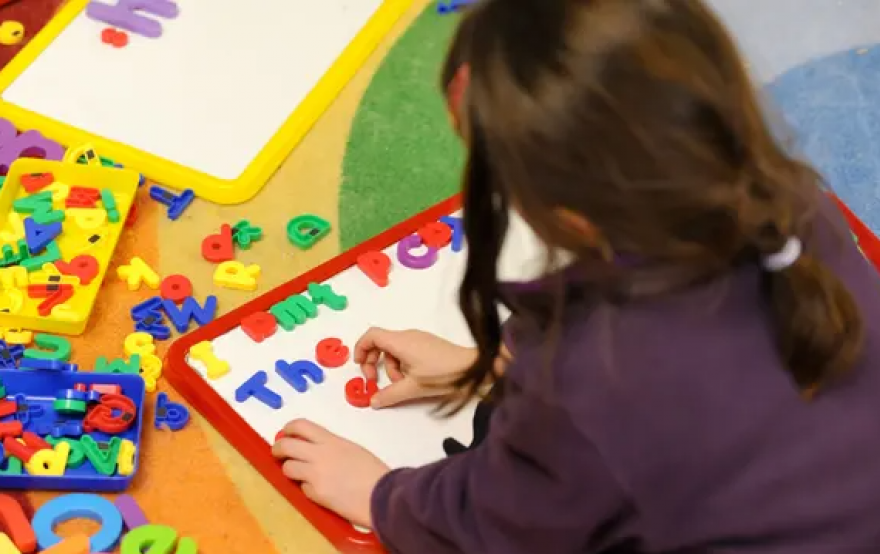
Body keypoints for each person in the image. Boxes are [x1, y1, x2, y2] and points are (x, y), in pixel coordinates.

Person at [272, 0, 880, 551]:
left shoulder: (594, 376)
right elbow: (721, 399)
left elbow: (502, 526)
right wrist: (489, 370)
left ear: (565, 214)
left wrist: (380, 495)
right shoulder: (793, 205)